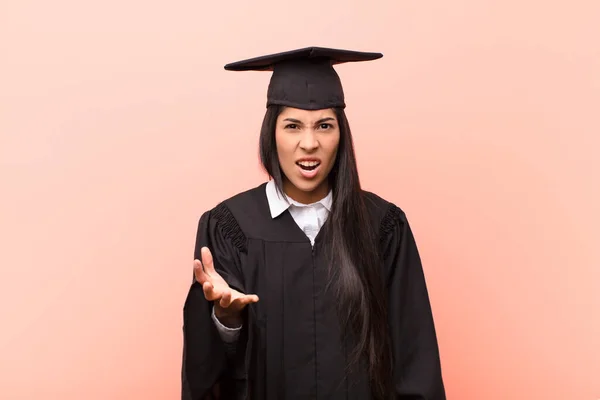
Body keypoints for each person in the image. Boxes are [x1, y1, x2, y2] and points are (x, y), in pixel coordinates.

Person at [181, 46, 446, 400]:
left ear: (342, 136)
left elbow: (415, 362)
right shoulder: (231, 228)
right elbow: (206, 375)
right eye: (292, 126)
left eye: (324, 125)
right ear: (271, 134)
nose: (309, 144)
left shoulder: (383, 228)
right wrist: (226, 319)